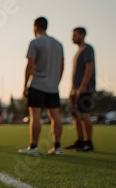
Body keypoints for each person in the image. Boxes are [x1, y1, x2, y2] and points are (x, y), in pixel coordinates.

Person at [19, 17, 64, 156]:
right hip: (53, 86)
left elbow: (30, 65)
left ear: (35, 27)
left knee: (35, 117)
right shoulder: (58, 44)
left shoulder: (35, 42)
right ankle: (57, 147)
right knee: (55, 117)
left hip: (37, 85)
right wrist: (56, 82)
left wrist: (25, 85)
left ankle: (33, 146)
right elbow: (62, 66)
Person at [65, 27, 96, 152]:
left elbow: (89, 68)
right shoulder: (79, 51)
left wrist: (83, 86)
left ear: (82, 35)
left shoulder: (87, 49)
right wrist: (72, 89)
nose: (73, 38)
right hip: (75, 90)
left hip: (84, 89)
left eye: (75, 35)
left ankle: (88, 143)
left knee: (84, 115)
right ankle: (80, 141)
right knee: (75, 115)